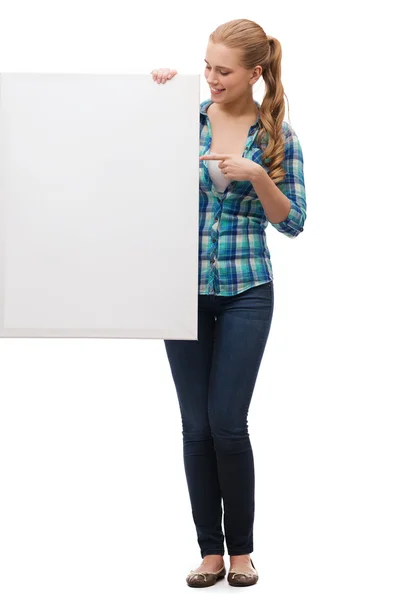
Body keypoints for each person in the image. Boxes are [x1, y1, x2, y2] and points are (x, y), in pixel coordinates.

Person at [152, 18, 307, 588]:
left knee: (226, 422)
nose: (211, 78)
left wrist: (256, 177)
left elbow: (293, 221)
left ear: (254, 73)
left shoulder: (276, 138)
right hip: (182, 291)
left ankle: (241, 553)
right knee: (195, 426)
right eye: (206, 66)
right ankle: (209, 554)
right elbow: (126, 157)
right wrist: (155, 94)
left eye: (224, 70)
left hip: (246, 291)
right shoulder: (181, 119)